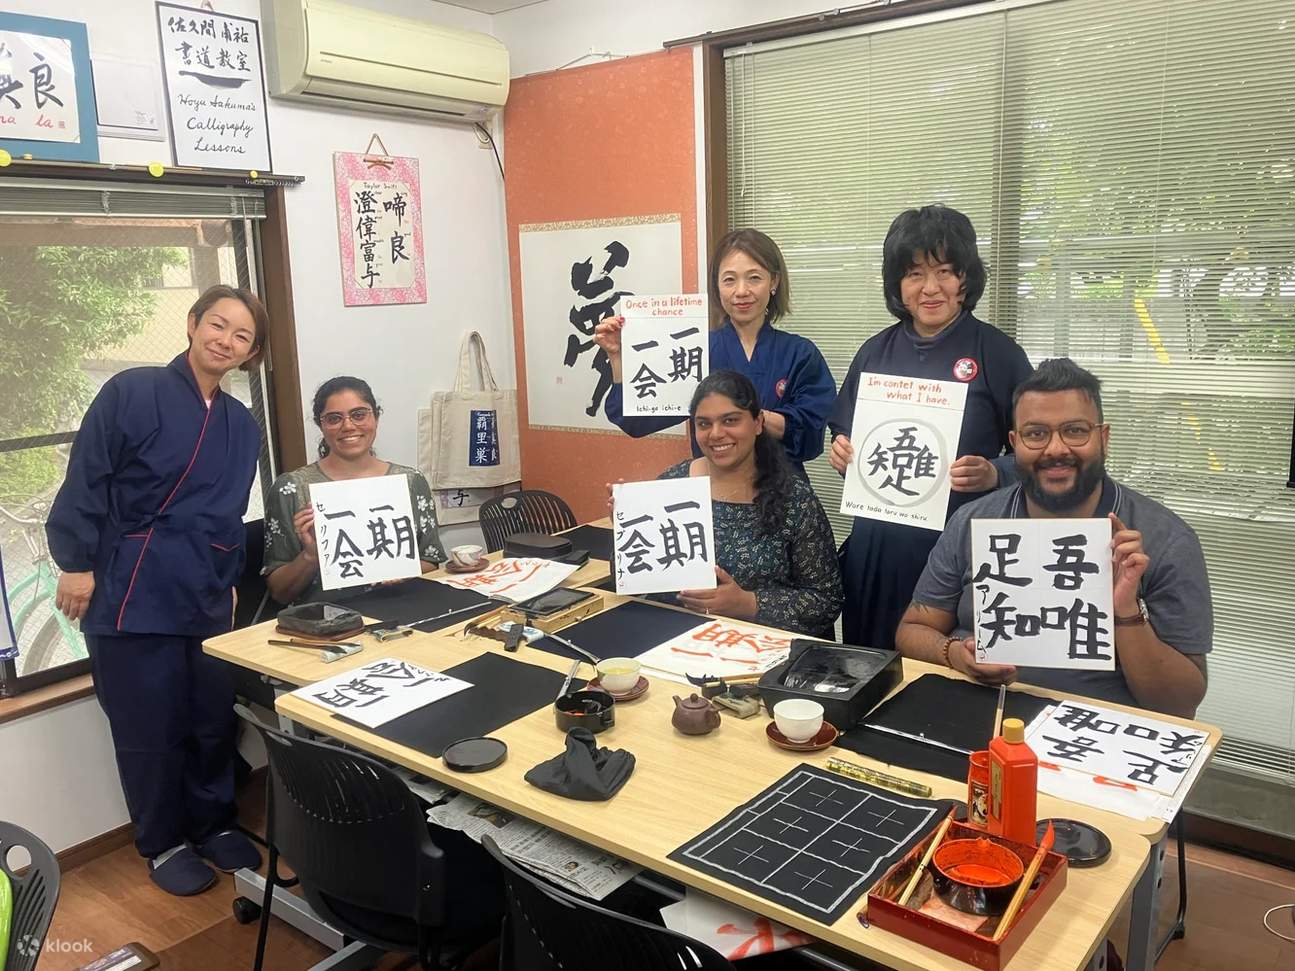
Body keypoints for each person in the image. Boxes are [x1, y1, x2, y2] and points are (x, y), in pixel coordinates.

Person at [47, 285, 268, 895]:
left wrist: (227, 585)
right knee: (149, 728)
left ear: (249, 355)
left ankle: (215, 821)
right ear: (193, 324)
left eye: (241, 336)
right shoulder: (131, 391)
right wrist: (76, 561)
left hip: (203, 589)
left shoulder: (240, 425)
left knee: (210, 718)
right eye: (217, 325)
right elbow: (87, 475)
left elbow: (228, 516)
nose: (225, 340)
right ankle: (163, 841)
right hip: (128, 585)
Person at [895, 359, 1211, 718]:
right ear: (1015, 443)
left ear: (1103, 438)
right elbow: (913, 630)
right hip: (981, 714)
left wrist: (1125, 610)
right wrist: (954, 653)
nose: (1056, 449)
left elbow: (1179, 702)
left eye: (1075, 431)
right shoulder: (973, 520)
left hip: (1100, 729)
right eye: (1036, 433)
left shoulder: (1164, 539)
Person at [829, 205, 1033, 650]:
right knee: (868, 664)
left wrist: (997, 472)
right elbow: (844, 437)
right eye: (914, 273)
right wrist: (843, 454)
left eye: (944, 270)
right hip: (878, 547)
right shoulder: (874, 352)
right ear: (897, 284)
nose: (930, 287)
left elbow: (1040, 454)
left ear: (966, 279)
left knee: (947, 679)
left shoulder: (998, 354)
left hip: (959, 550)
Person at [594, 228, 836, 476]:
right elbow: (635, 421)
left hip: (784, 496)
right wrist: (619, 358)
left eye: (754, 278)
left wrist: (747, 415)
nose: (741, 291)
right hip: (714, 495)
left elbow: (810, 436)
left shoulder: (801, 354)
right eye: (729, 280)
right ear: (717, 286)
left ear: (773, 282)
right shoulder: (692, 351)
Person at [651, 370, 842, 637]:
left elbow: (826, 601)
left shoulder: (794, 498)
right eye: (704, 424)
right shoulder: (670, 486)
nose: (716, 434)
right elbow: (638, 586)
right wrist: (627, 529)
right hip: (677, 643)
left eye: (730, 420)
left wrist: (749, 604)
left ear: (758, 423)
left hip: (764, 655)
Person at [263, 376, 446, 604]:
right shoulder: (291, 489)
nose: (348, 426)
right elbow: (280, 593)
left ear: (376, 418)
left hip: (403, 609)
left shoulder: (410, 481)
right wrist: (311, 556)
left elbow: (431, 560)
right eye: (334, 418)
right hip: (325, 622)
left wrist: (405, 570)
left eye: (359, 415)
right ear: (321, 425)